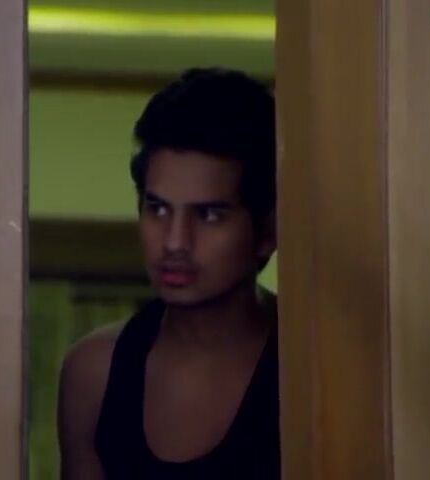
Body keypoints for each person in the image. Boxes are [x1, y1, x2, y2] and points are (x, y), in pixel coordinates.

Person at [57, 67, 279, 479]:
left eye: (209, 215)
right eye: (157, 209)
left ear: (268, 232)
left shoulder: (314, 365)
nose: (175, 242)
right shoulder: (96, 372)